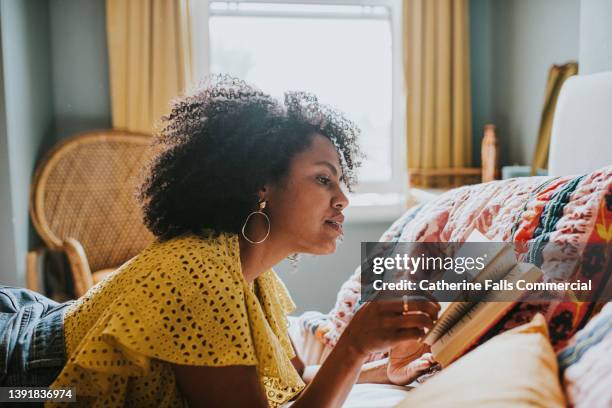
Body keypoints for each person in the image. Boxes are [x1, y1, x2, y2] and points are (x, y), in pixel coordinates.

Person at [0, 76, 438, 407]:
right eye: (323, 179)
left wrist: (383, 371)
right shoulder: (200, 274)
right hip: (25, 377)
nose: (343, 199)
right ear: (261, 184)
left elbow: (293, 383)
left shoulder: (251, 274)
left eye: (340, 183)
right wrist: (354, 343)